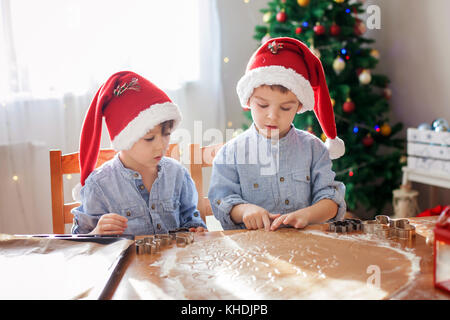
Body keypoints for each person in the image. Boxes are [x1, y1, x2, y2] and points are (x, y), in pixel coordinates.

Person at [208, 37, 346, 231]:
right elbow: (221, 200)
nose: (272, 116)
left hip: (305, 247)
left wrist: (308, 214)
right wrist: (245, 210)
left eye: (285, 108)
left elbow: (332, 200)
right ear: (248, 100)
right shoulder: (231, 153)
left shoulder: (314, 148)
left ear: (298, 106)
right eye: (262, 105)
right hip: (251, 252)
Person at [71, 71, 206, 235]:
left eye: (167, 134)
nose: (161, 146)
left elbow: (192, 220)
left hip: (173, 260)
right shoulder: (99, 185)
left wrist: (196, 229)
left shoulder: (177, 174)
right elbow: (81, 244)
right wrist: (96, 232)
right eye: (149, 138)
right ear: (125, 140)